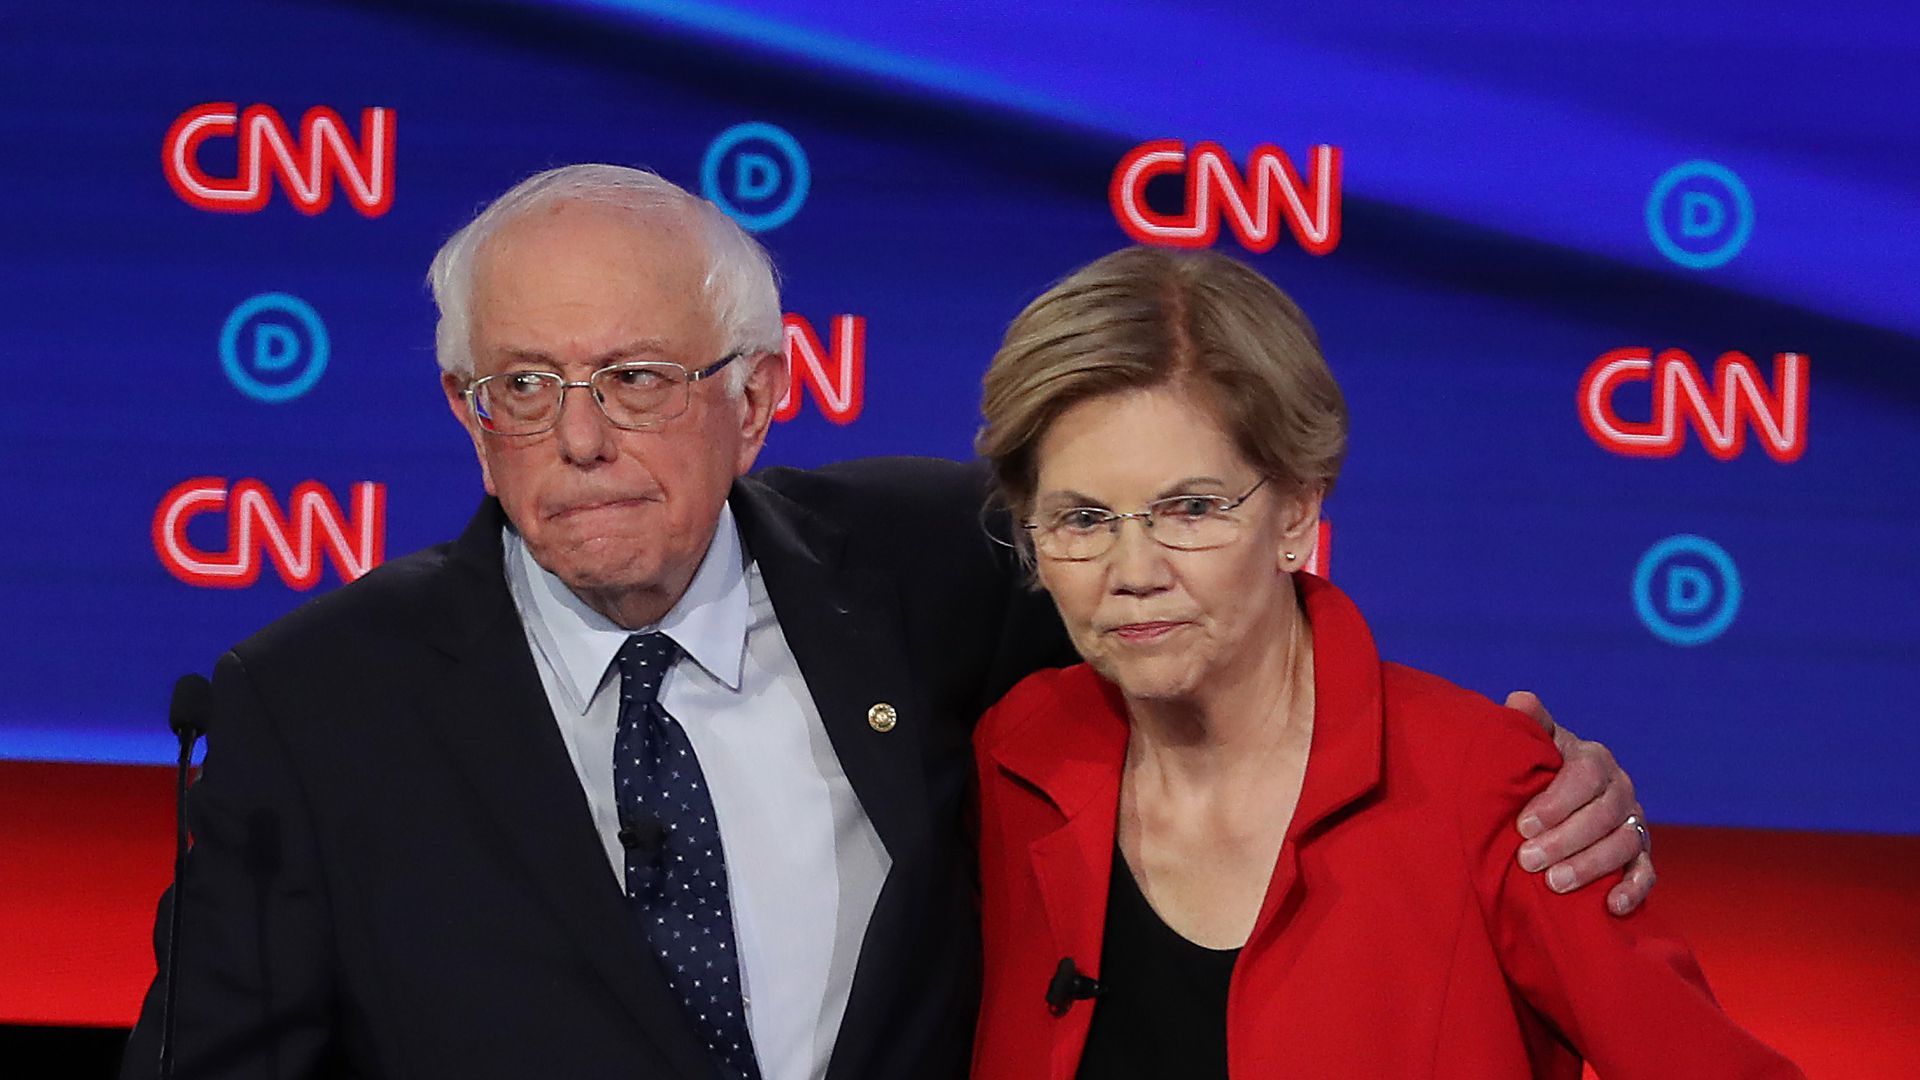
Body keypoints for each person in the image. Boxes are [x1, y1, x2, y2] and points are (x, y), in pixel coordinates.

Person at [122, 166, 1653, 1080]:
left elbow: (1210, 630)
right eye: (524, 385)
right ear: (466, 413)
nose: (579, 437)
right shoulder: (310, 709)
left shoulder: (935, 568)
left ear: (760, 398)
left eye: (638, 379)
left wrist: (1518, 776)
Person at [968, 247, 1800, 1078]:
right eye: (1081, 520)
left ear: (1297, 512)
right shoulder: (1009, 760)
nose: (1136, 571)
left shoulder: (1493, 793)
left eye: (1191, 508)